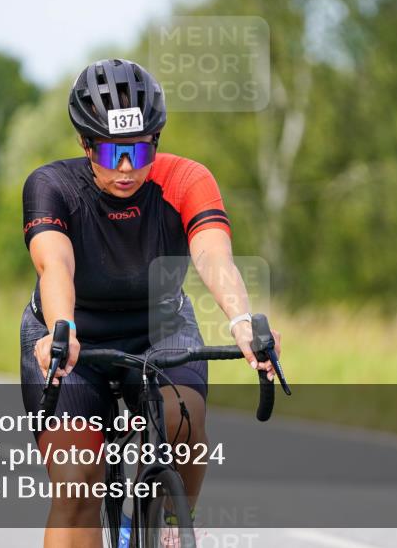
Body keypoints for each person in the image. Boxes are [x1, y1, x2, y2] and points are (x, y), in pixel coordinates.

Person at [20, 58, 282, 547]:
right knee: (77, 483)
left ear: (155, 143)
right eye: (110, 152)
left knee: (184, 416)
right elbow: (55, 264)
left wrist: (242, 320)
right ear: (84, 143)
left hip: (160, 326)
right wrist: (62, 328)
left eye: (138, 152)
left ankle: (169, 522)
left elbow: (212, 255)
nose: (125, 168)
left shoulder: (187, 179)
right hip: (73, 336)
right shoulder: (51, 186)